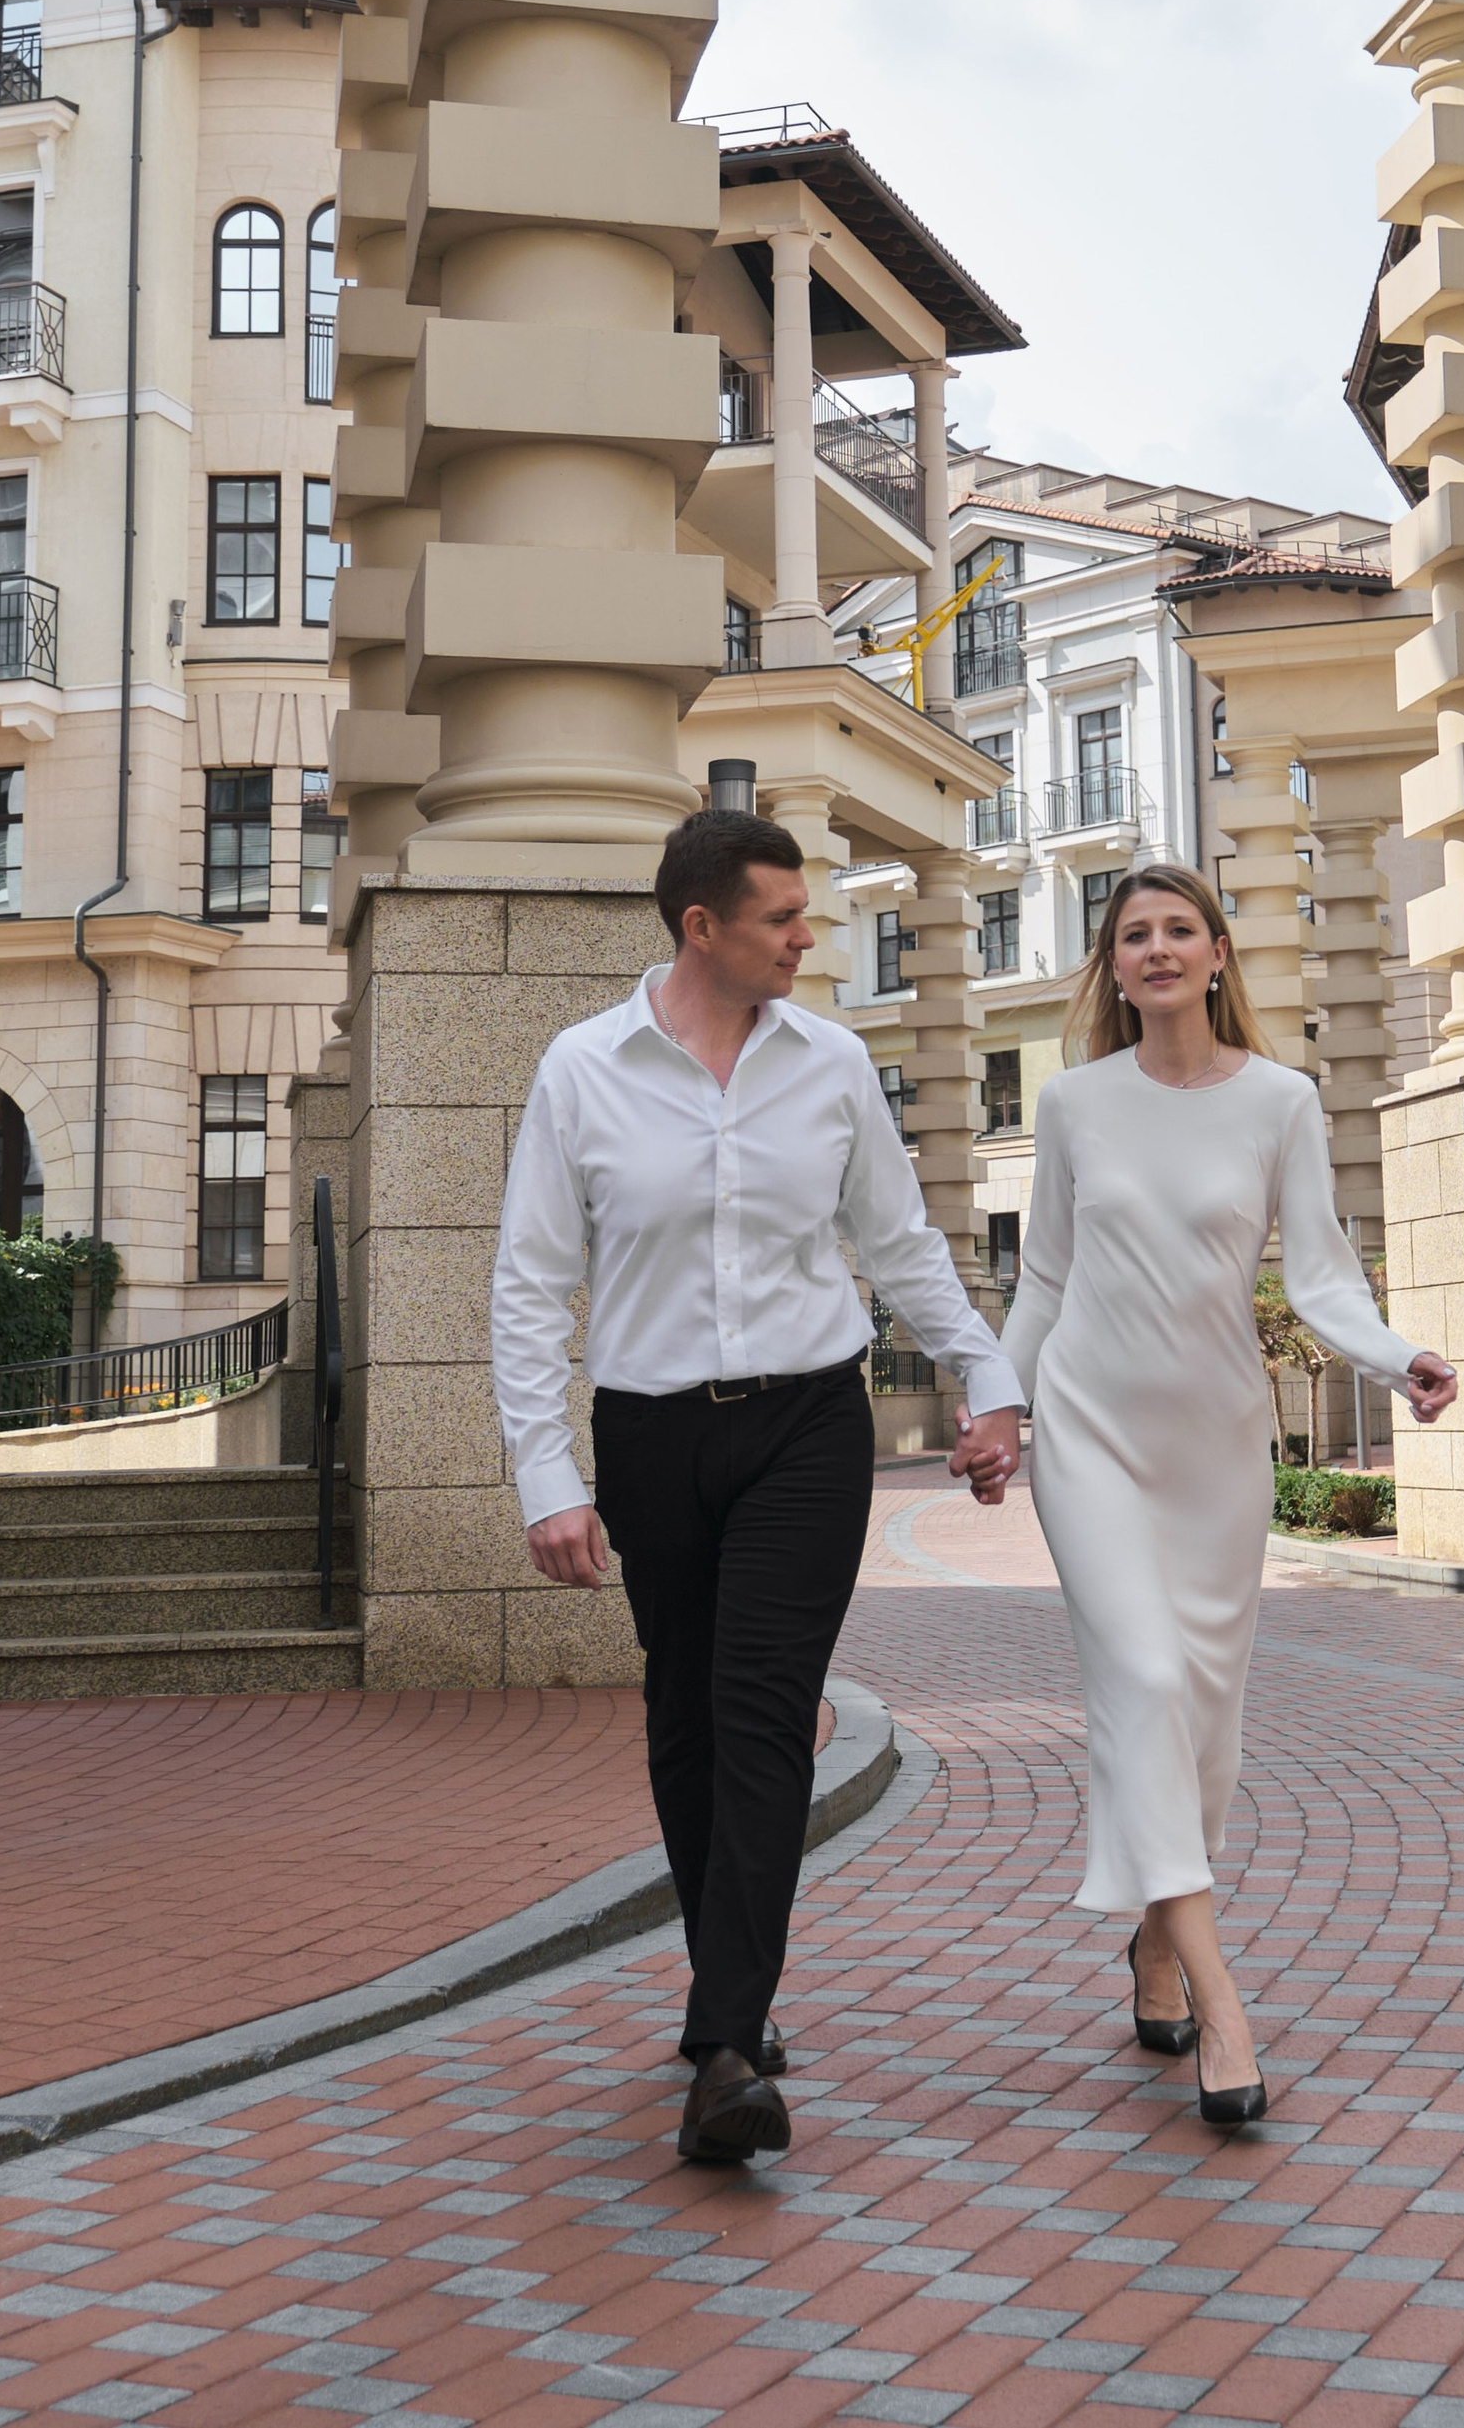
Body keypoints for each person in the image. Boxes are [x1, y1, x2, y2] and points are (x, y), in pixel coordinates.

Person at [490, 808, 1024, 2167]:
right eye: (784, 918)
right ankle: (729, 1986)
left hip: (805, 1425)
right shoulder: (583, 1070)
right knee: (685, 1716)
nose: (808, 937)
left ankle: (728, 2039)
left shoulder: (832, 1063)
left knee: (763, 1707)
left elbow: (897, 1243)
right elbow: (530, 1284)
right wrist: (548, 1473)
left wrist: (989, 1377)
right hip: (654, 1436)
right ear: (701, 928)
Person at [992, 861, 1455, 2124]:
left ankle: (1152, 1941)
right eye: (1131, 934)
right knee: (1140, 1682)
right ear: (1114, 965)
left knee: (1202, 1717)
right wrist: (996, 1402)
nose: (1154, 949)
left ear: (1215, 955)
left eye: (1176, 930)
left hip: (1214, 1447)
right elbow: (1041, 1283)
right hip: (1090, 1431)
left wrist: (1392, 1352)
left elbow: (1319, 1275)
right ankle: (1221, 1999)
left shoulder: (1279, 1100)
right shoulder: (1075, 1102)